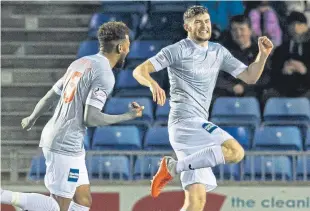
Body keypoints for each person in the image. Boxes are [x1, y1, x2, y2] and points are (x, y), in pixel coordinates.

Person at [133, 6, 273, 211]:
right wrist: (153, 84)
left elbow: (250, 77)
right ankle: (172, 167)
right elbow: (140, 70)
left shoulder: (218, 51)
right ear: (187, 26)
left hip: (196, 126)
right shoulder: (177, 50)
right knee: (236, 152)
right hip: (185, 123)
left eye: (206, 21)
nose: (204, 26)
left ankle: (173, 167)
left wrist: (262, 56)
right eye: (198, 22)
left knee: (195, 203)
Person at [1, 21, 144, 211]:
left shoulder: (81, 62)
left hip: (68, 141)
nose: (128, 49)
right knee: (60, 206)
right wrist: (128, 115)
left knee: (83, 201)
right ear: (120, 47)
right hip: (64, 143)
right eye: (127, 45)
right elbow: (91, 118)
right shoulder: (105, 75)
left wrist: (32, 118)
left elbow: (51, 95)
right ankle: (5, 195)